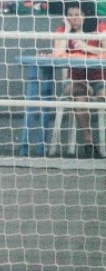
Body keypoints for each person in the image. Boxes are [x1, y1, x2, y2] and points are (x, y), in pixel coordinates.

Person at [52, 2, 106, 159]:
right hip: (76, 80)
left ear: (84, 15)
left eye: (77, 15)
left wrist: (86, 47)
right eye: (70, 16)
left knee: (103, 94)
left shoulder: (99, 28)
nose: (74, 19)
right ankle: (88, 143)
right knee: (80, 94)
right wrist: (68, 32)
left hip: (99, 79)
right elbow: (58, 53)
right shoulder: (63, 30)